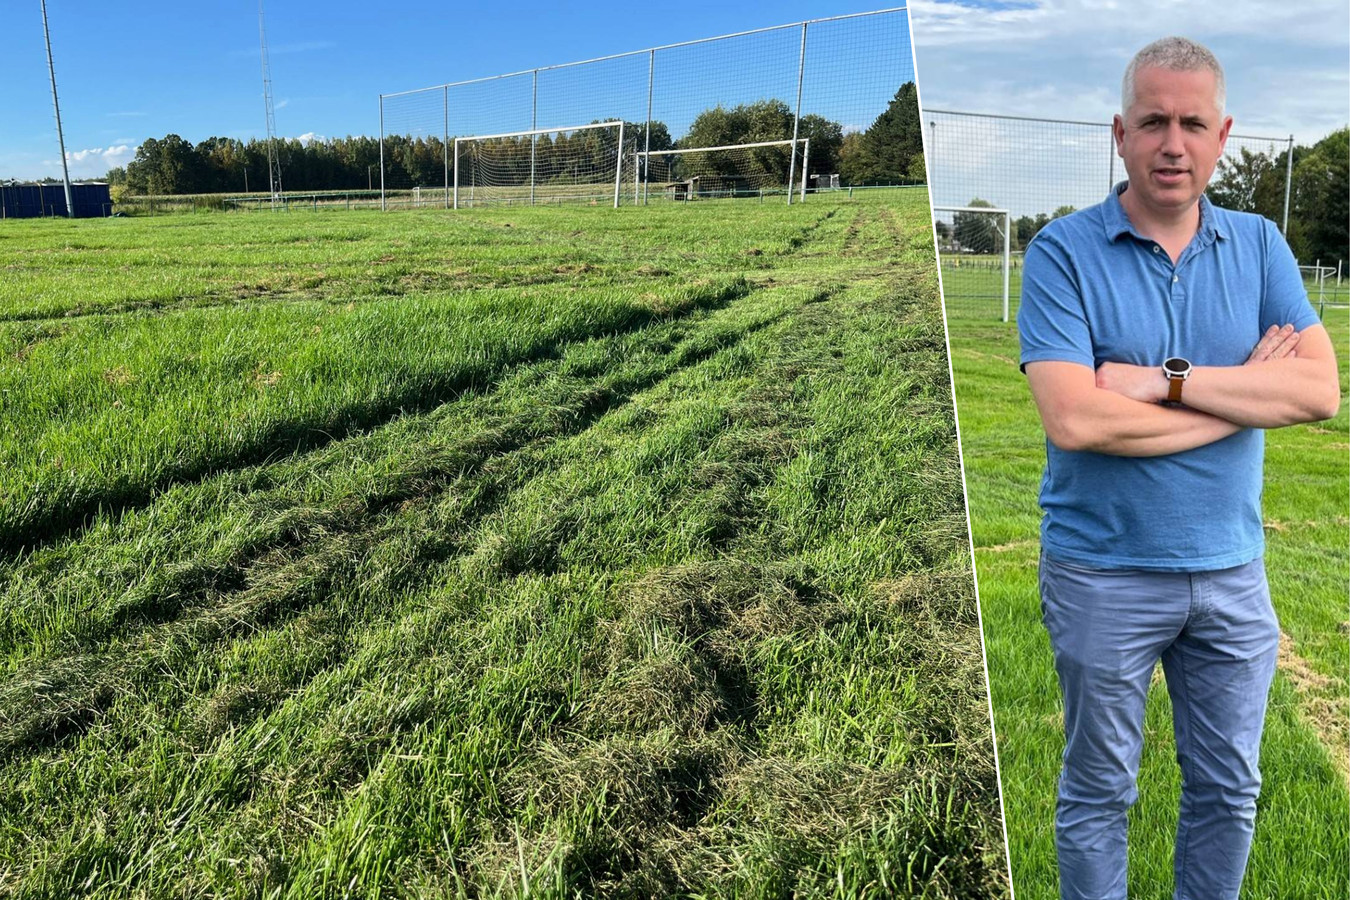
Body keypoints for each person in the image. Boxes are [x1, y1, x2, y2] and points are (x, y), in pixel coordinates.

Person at [1015, 36, 1340, 900]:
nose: (1173, 143)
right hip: (1102, 572)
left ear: (1222, 134)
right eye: (1153, 121)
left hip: (1232, 575)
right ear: (1119, 132)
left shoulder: (1262, 246)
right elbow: (1076, 418)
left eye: (1193, 123)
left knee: (1230, 791)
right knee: (1100, 793)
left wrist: (1168, 385)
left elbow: (1317, 394)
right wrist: (1238, 405)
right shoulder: (1061, 252)